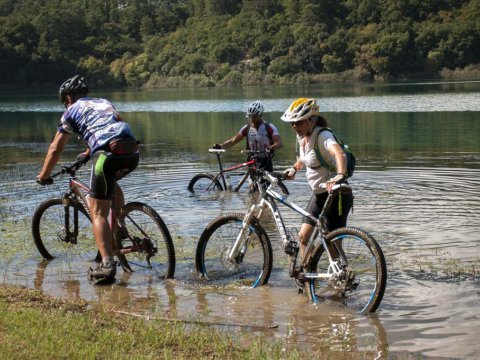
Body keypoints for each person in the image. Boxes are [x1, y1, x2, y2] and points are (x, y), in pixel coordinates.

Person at [36, 75, 139, 284]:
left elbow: (56, 148)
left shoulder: (70, 111)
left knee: (98, 211)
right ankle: (120, 228)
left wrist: (44, 175)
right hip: (131, 150)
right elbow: (112, 126)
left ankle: (108, 264)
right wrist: (87, 152)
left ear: (67, 99)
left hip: (106, 155)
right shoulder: (103, 103)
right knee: (113, 184)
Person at [280, 98, 354, 258]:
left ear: (311, 120)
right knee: (303, 237)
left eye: (298, 123)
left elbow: (339, 154)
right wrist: (294, 168)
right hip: (319, 195)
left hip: (336, 196)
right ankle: (307, 275)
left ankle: (343, 277)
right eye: (292, 123)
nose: (294, 127)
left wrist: (340, 175)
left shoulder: (323, 135)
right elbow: (305, 158)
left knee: (333, 245)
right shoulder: (302, 137)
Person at [214, 100, 283, 172]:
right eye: (250, 116)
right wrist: (220, 146)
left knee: (268, 182)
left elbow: (279, 143)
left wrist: (271, 147)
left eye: (254, 116)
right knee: (252, 183)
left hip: (266, 161)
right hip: (251, 161)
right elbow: (233, 141)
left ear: (261, 115)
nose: (252, 119)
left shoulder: (269, 127)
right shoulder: (246, 128)